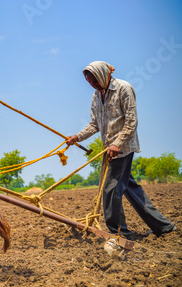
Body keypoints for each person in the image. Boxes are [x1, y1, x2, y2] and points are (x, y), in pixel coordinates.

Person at [66, 60, 176, 239]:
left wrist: (117, 143)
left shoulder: (124, 89)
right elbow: (94, 124)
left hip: (122, 148)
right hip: (109, 149)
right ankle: (163, 226)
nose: (93, 85)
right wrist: (77, 137)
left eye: (94, 81)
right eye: (90, 82)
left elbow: (132, 122)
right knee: (130, 189)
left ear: (103, 74)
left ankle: (120, 234)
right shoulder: (96, 96)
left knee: (110, 189)